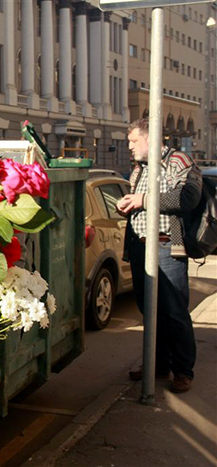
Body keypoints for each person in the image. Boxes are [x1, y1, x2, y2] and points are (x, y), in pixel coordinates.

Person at [117, 118, 202, 393]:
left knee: (174, 311)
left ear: (150, 138)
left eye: (133, 141)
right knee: (149, 310)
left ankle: (182, 370)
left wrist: (144, 200)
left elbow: (188, 199)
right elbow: (140, 203)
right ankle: (157, 364)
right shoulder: (140, 169)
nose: (129, 147)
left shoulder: (177, 161)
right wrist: (129, 205)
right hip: (141, 246)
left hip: (167, 246)